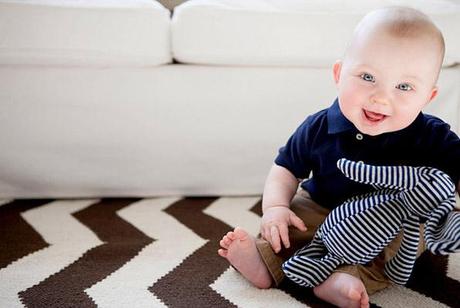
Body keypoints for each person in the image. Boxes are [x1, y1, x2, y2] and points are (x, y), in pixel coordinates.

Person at [217, 6, 460, 308]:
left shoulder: (432, 136)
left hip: (390, 220)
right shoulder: (319, 126)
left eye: (404, 86)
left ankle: (347, 277)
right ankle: (265, 261)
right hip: (322, 205)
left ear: (428, 97)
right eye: (368, 76)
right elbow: (285, 168)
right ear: (338, 74)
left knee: (404, 242)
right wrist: (275, 207)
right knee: (291, 223)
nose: (381, 97)